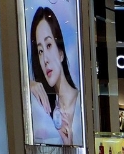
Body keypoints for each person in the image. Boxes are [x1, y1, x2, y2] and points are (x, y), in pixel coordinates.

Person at [29, 7, 83, 146]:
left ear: (61, 53)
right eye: (40, 51)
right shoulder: (43, 108)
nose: (45, 59)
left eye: (48, 45)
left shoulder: (81, 103)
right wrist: (27, 84)